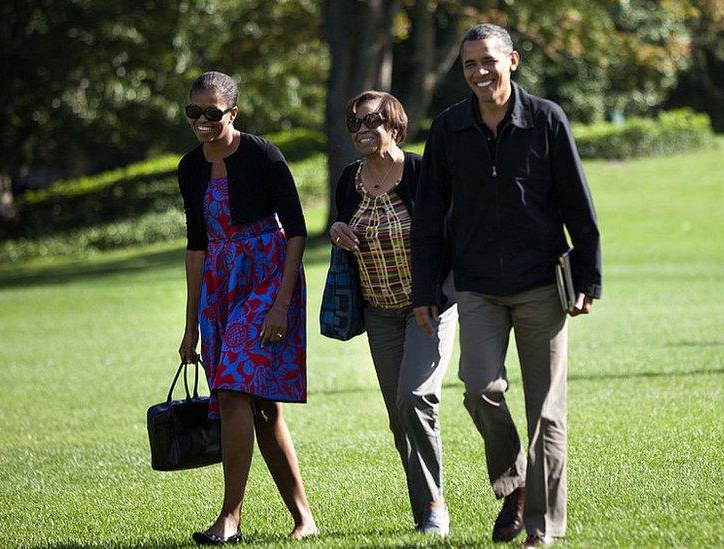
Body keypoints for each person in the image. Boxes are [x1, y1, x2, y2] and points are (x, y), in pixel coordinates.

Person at [411, 24, 602, 548]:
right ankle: (515, 480)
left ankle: (542, 530)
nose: (479, 72)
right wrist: (425, 288)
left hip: (542, 284)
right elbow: (429, 216)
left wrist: (589, 277)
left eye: (488, 61)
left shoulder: (545, 120)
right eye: (470, 64)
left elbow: (577, 204)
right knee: (479, 390)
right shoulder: (449, 129)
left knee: (546, 412)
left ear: (512, 61)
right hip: (475, 288)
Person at [176, 71, 318, 545]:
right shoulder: (189, 166)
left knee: (235, 389)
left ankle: (229, 518)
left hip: (267, 277)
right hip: (219, 286)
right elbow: (197, 245)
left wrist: (281, 305)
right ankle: (304, 517)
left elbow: (296, 230)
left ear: (232, 113)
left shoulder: (262, 154)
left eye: (211, 113)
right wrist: (190, 324)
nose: (201, 120)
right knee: (261, 406)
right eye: (193, 112)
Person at [328, 90, 457, 536]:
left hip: (428, 305)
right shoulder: (350, 179)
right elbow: (345, 224)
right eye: (355, 124)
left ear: (395, 124)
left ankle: (435, 506)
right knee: (398, 413)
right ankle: (425, 509)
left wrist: (442, 294)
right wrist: (337, 230)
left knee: (416, 398)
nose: (362, 130)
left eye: (372, 121)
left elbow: (450, 234)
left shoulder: (421, 171)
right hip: (378, 311)